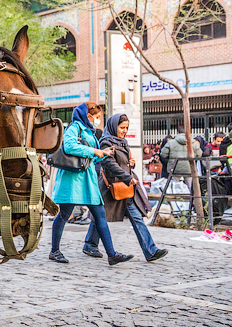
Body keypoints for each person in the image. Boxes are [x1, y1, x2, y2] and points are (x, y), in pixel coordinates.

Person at [49, 102, 133, 266]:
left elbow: (89, 156)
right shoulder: (74, 128)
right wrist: (95, 151)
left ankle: (112, 254)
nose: (98, 120)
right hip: (72, 180)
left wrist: (103, 154)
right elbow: (70, 146)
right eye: (96, 117)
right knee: (65, 215)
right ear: (88, 116)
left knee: (100, 215)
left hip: (87, 179)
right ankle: (54, 251)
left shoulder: (89, 131)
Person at [82, 114, 168, 262]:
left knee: (136, 218)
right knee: (100, 216)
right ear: (113, 126)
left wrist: (131, 164)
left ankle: (150, 250)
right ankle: (90, 244)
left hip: (125, 187)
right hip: (110, 186)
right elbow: (109, 164)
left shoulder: (122, 142)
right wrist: (128, 177)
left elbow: (122, 162)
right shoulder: (106, 142)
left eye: (126, 128)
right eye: (122, 127)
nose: (124, 130)